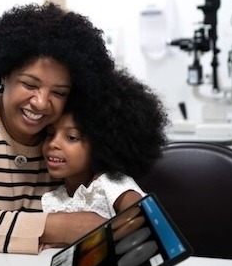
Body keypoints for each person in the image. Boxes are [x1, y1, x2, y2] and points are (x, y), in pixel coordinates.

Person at [0, 2, 116, 254]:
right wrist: (55, 226)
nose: (40, 103)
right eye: (29, 85)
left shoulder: (69, 136)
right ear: (4, 75)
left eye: (58, 92)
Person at [41, 68, 169, 217]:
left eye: (71, 137)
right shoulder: (53, 199)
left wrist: (103, 234)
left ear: (101, 145)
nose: (53, 144)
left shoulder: (109, 184)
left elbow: (140, 214)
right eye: (50, 134)